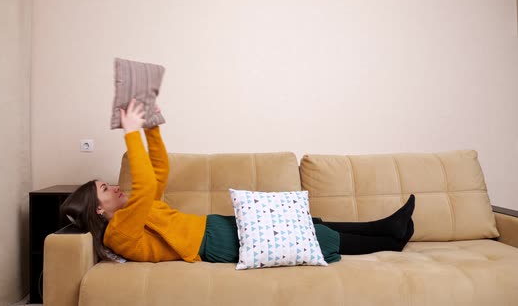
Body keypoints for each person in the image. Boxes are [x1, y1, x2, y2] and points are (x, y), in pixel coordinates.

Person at [60, 99, 415, 263]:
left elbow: (158, 171)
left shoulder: (134, 212)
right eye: (105, 190)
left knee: (306, 223)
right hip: (212, 244)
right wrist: (131, 132)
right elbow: (148, 185)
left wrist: (151, 128)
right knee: (313, 238)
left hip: (215, 227)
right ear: (100, 211)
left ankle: (387, 226)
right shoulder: (121, 231)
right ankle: (389, 241)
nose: (114, 186)